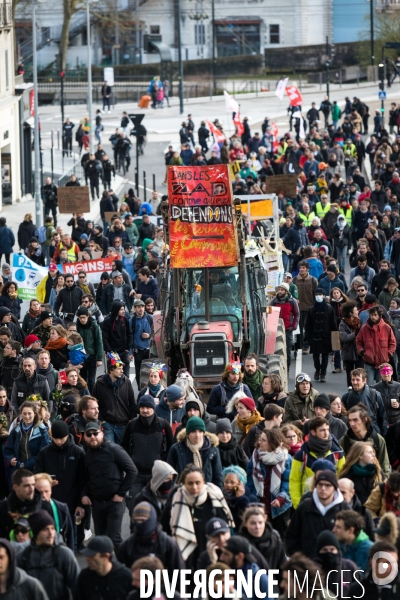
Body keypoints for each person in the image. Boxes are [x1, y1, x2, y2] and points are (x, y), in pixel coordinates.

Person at [160, 465, 233, 568]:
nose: (194, 487)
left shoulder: (213, 499)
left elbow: (225, 528)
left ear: (203, 482)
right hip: (184, 558)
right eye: (190, 483)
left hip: (210, 554)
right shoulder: (176, 500)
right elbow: (164, 528)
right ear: (184, 484)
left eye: (197, 483)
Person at [81, 421, 137, 548]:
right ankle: (104, 567)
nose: (92, 437)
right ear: (85, 437)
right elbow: (85, 479)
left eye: (95, 433)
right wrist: (84, 495)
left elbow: (132, 471)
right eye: (89, 435)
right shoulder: (87, 455)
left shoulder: (114, 449)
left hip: (115, 502)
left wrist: (121, 493)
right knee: (100, 540)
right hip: (97, 503)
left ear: (101, 432)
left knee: (114, 538)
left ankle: (125, 566)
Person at [121, 394, 173, 506]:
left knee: (156, 507)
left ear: (153, 408)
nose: (145, 410)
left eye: (148, 407)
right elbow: (124, 446)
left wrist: (162, 460)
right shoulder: (132, 425)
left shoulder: (163, 425)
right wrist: (131, 461)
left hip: (156, 474)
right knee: (133, 506)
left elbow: (171, 447)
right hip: (136, 474)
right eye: (142, 407)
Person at [285, 470, 349, 558]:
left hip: (336, 564)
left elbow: (351, 537)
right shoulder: (305, 506)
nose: (323, 488)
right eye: (320, 484)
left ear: (334, 487)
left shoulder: (344, 508)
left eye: (327, 485)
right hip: (307, 563)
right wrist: (299, 558)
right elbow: (291, 535)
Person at [17, 510, 79, 600]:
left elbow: (78, 588)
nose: (51, 533)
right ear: (36, 532)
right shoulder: (23, 557)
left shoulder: (64, 554)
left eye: (52, 528)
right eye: (45, 529)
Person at [289, 416, 345, 509]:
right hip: (308, 502)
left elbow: (342, 476)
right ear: (313, 432)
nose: (326, 433)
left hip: (331, 502)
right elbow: (294, 480)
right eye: (322, 430)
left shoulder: (337, 452)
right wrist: (298, 505)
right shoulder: (302, 454)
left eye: (327, 429)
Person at [118, 502, 185, 577]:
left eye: (143, 520)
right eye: (137, 520)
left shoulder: (168, 544)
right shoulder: (127, 547)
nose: (140, 524)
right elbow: (123, 578)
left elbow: (179, 576)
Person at [246, 428, 292, 536]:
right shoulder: (255, 457)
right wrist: (251, 498)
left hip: (279, 506)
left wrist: (281, 498)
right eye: (260, 439)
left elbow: (287, 482)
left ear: (272, 442)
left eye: (263, 440)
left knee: (278, 536)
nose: (259, 442)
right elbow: (250, 482)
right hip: (259, 502)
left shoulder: (286, 458)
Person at [92, 353, 137, 445]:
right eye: (119, 369)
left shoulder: (126, 382)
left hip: (124, 424)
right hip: (108, 423)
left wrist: (132, 419)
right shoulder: (100, 384)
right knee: (109, 448)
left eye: (122, 368)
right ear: (111, 370)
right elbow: (94, 402)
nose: (122, 371)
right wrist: (101, 419)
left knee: (123, 450)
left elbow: (132, 402)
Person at [167, 416, 223, 487]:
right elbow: (170, 475)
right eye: (193, 431)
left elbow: (218, 477)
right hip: (182, 491)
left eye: (200, 431)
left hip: (206, 492)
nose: (197, 435)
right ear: (188, 433)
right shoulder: (176, 449)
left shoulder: (213, 450)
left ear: (203, 433)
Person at [338, 404, 390, 477]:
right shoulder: (344, 441)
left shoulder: (377, 439)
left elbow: (385, 466)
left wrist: (384, 486)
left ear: (365, 419)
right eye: (350, 420)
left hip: (374, 482)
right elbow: (340, 467)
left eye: (355, 420)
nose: (352, 424)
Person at [76, 535, 132, 600]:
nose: (87, 559)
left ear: (106, 556)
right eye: (87, 555)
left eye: (92, 555)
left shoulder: (125, 576)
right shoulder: (85, 576)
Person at [33, 472, 75, 552]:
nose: (44, 495)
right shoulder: (28, 509)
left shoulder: (62, 508)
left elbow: (69, 536)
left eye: (46, 491)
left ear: (51, 490)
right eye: (40, 492)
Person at [219, 536, 270, 600]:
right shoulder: (221, 573)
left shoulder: (260, 579)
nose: (221, 557)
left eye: (226, 554)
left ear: (240, 557)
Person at [4, 401, 50, 472]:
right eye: (24, 414)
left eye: (29, 413)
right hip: (20, 470)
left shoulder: (42, 430)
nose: (27, 416)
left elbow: (42, 453)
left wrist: (24, 465)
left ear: (34, 414)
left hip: (37, 470)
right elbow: (8, 449)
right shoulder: (16, 431)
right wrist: (11, 459)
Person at [342, 368, 388, 435]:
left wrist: (383, 435)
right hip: (353, 433)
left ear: (364, 380)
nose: (355, 382)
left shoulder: (375, 395)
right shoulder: (346, 397)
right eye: (353, 380)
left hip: (372, 432)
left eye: (358, 380)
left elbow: (383, 416)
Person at [305, 287, 337, 383]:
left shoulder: (329, 308)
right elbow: (308, 325)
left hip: (325, 336)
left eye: (320, 295)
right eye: (316, 295)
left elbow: (333, 323)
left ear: (324, 296)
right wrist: (308, 337)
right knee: (315, 356)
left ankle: (323, 374)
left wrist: (335, 339)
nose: (318, 296)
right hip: (314, 336)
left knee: (325, 356)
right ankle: (317, 369)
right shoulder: (311, 309)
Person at [239, 504, 286, 570]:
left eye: (260, 523)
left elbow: (283, 566)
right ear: (245, 523)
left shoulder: (275, 539)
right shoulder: (239, 542)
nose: (257, 527)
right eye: (253, 523)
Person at [338, 440, 384, 505]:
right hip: (355, 512)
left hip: (375, 512)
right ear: (360, 456)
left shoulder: (378, 472)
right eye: (370, 452)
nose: (373, 455)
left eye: (373, 452)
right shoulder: (348, 474)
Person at [270, 283, 300, 373]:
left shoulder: (292, 301)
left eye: (282, 290)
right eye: (279, 289)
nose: (280, 291)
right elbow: (270, 313)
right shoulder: (274, 301)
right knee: (276, 351)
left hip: (288, 330)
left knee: (287, 351)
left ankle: (287, 370)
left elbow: (297, 314)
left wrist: (294, 326)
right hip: (276, 330)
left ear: (286, 291)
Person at [76, 306, 103, 393]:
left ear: (88, 316)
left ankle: (92, 397)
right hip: (81, 357)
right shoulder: (77, 326)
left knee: (91, 381)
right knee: (82, 380)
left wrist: (99, 358)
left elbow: (99, 342)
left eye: (84, 317)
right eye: (80, 318)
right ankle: (84, 397)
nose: (82, 320)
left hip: (92, 356)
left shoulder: (94, 326)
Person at [101, 301, 133, 378]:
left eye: (123, 309)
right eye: (121, 309)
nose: (123, 311)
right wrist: (109, 351)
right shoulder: (107, 322)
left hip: (123, 351)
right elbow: (104, 338)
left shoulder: (125, 320)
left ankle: (125, 389)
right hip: (113, 352)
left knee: (125, 375)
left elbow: (129, 334)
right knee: (113, 374)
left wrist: (128, 348)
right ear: (116, 310)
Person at [293, 261, 318, 354]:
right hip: (298, 308)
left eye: (303, 268)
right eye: (300, 268)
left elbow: (316, 294)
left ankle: (307, 346)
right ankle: (300, 346)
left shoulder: (313, 280)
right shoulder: (295, 280)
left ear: (307, 269)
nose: (301, 269)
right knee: (299, 329)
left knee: (308, 329)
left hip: (309, 308)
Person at [339, 301, 364, 387]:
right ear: (350, 313)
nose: (358, 311)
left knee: (360, 372)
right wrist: (356, 334)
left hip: (359, 351)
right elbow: (344, 338)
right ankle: (350, 390)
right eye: (356, 310)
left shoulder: (359, 321)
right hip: (348, 351)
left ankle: (360, 389)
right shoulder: (343, 324)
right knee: (349, 373)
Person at [131, 299, 153, 379]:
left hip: (149, 350)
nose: (141, 309)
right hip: (138, 351)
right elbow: (130, 337)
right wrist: (130, 352)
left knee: (150, 371)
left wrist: (149, 335)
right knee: (139, 372)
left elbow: (157, 333)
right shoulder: (132, 321)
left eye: (143, 307)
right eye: (139, 307)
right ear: (135, 308)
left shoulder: (150, 318)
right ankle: (140, 390)